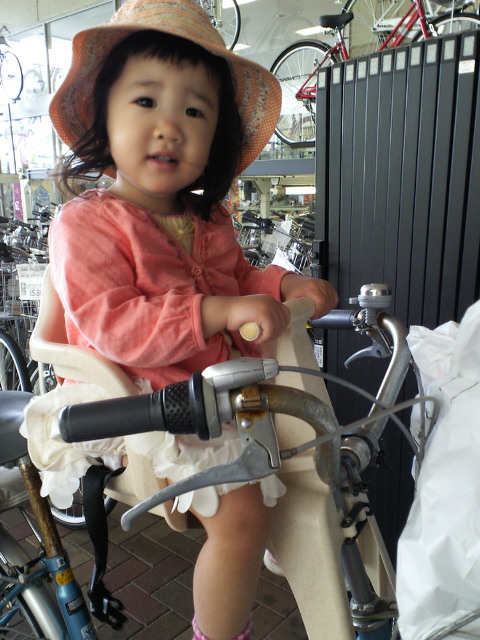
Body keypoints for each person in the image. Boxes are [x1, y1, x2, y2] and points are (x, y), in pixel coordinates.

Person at [47, 1, 338, 638]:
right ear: (103, 116)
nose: (169, 127)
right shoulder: (85, 223)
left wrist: (283, 284)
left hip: (218, 391)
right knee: (240, 519)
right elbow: (113, 323)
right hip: (140, 402)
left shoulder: (210, 219)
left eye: (195, 111)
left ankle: (277, 537)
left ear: (216, 137)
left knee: (317, 454)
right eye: (145, 101)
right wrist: (219, 311)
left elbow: (238, 280)